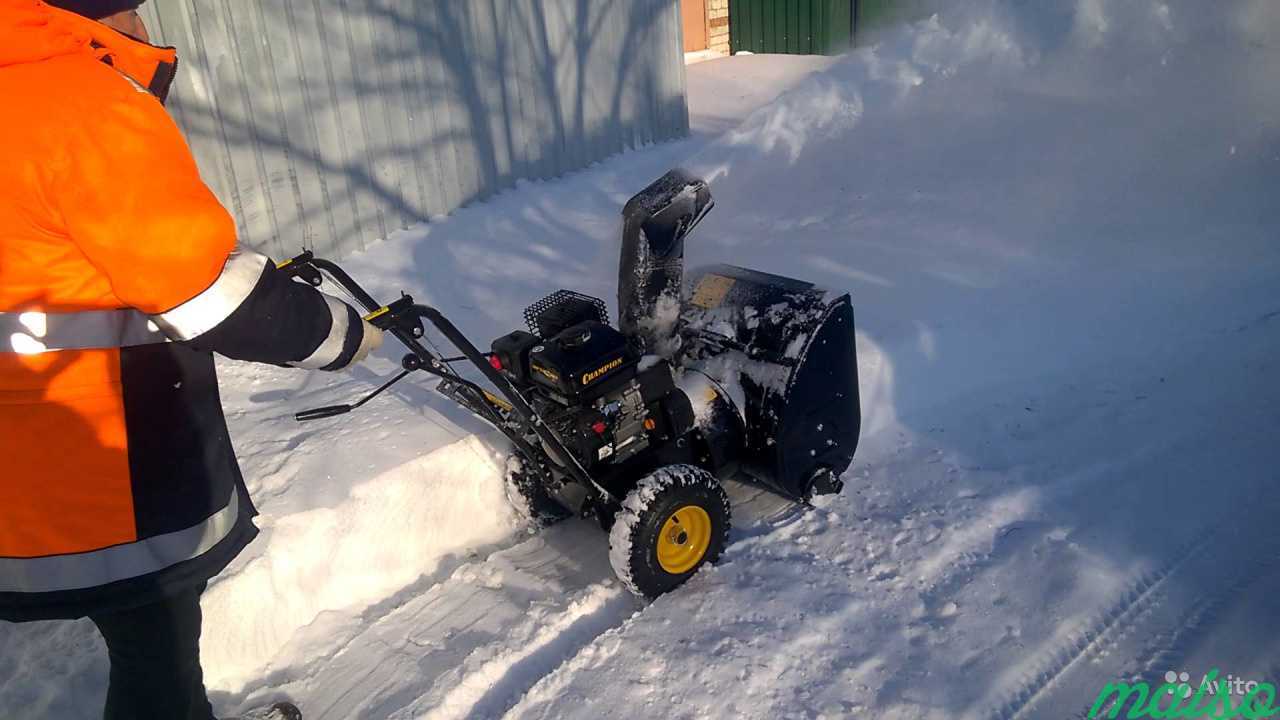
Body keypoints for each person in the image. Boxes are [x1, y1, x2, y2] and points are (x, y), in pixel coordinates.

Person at [0, 1, 383, 718]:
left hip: (16, 476)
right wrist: (343, 336)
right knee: (158, 661)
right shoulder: (84, 106)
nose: (146, 26)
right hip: (102, 476)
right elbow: (211, 297)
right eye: (133, 9)